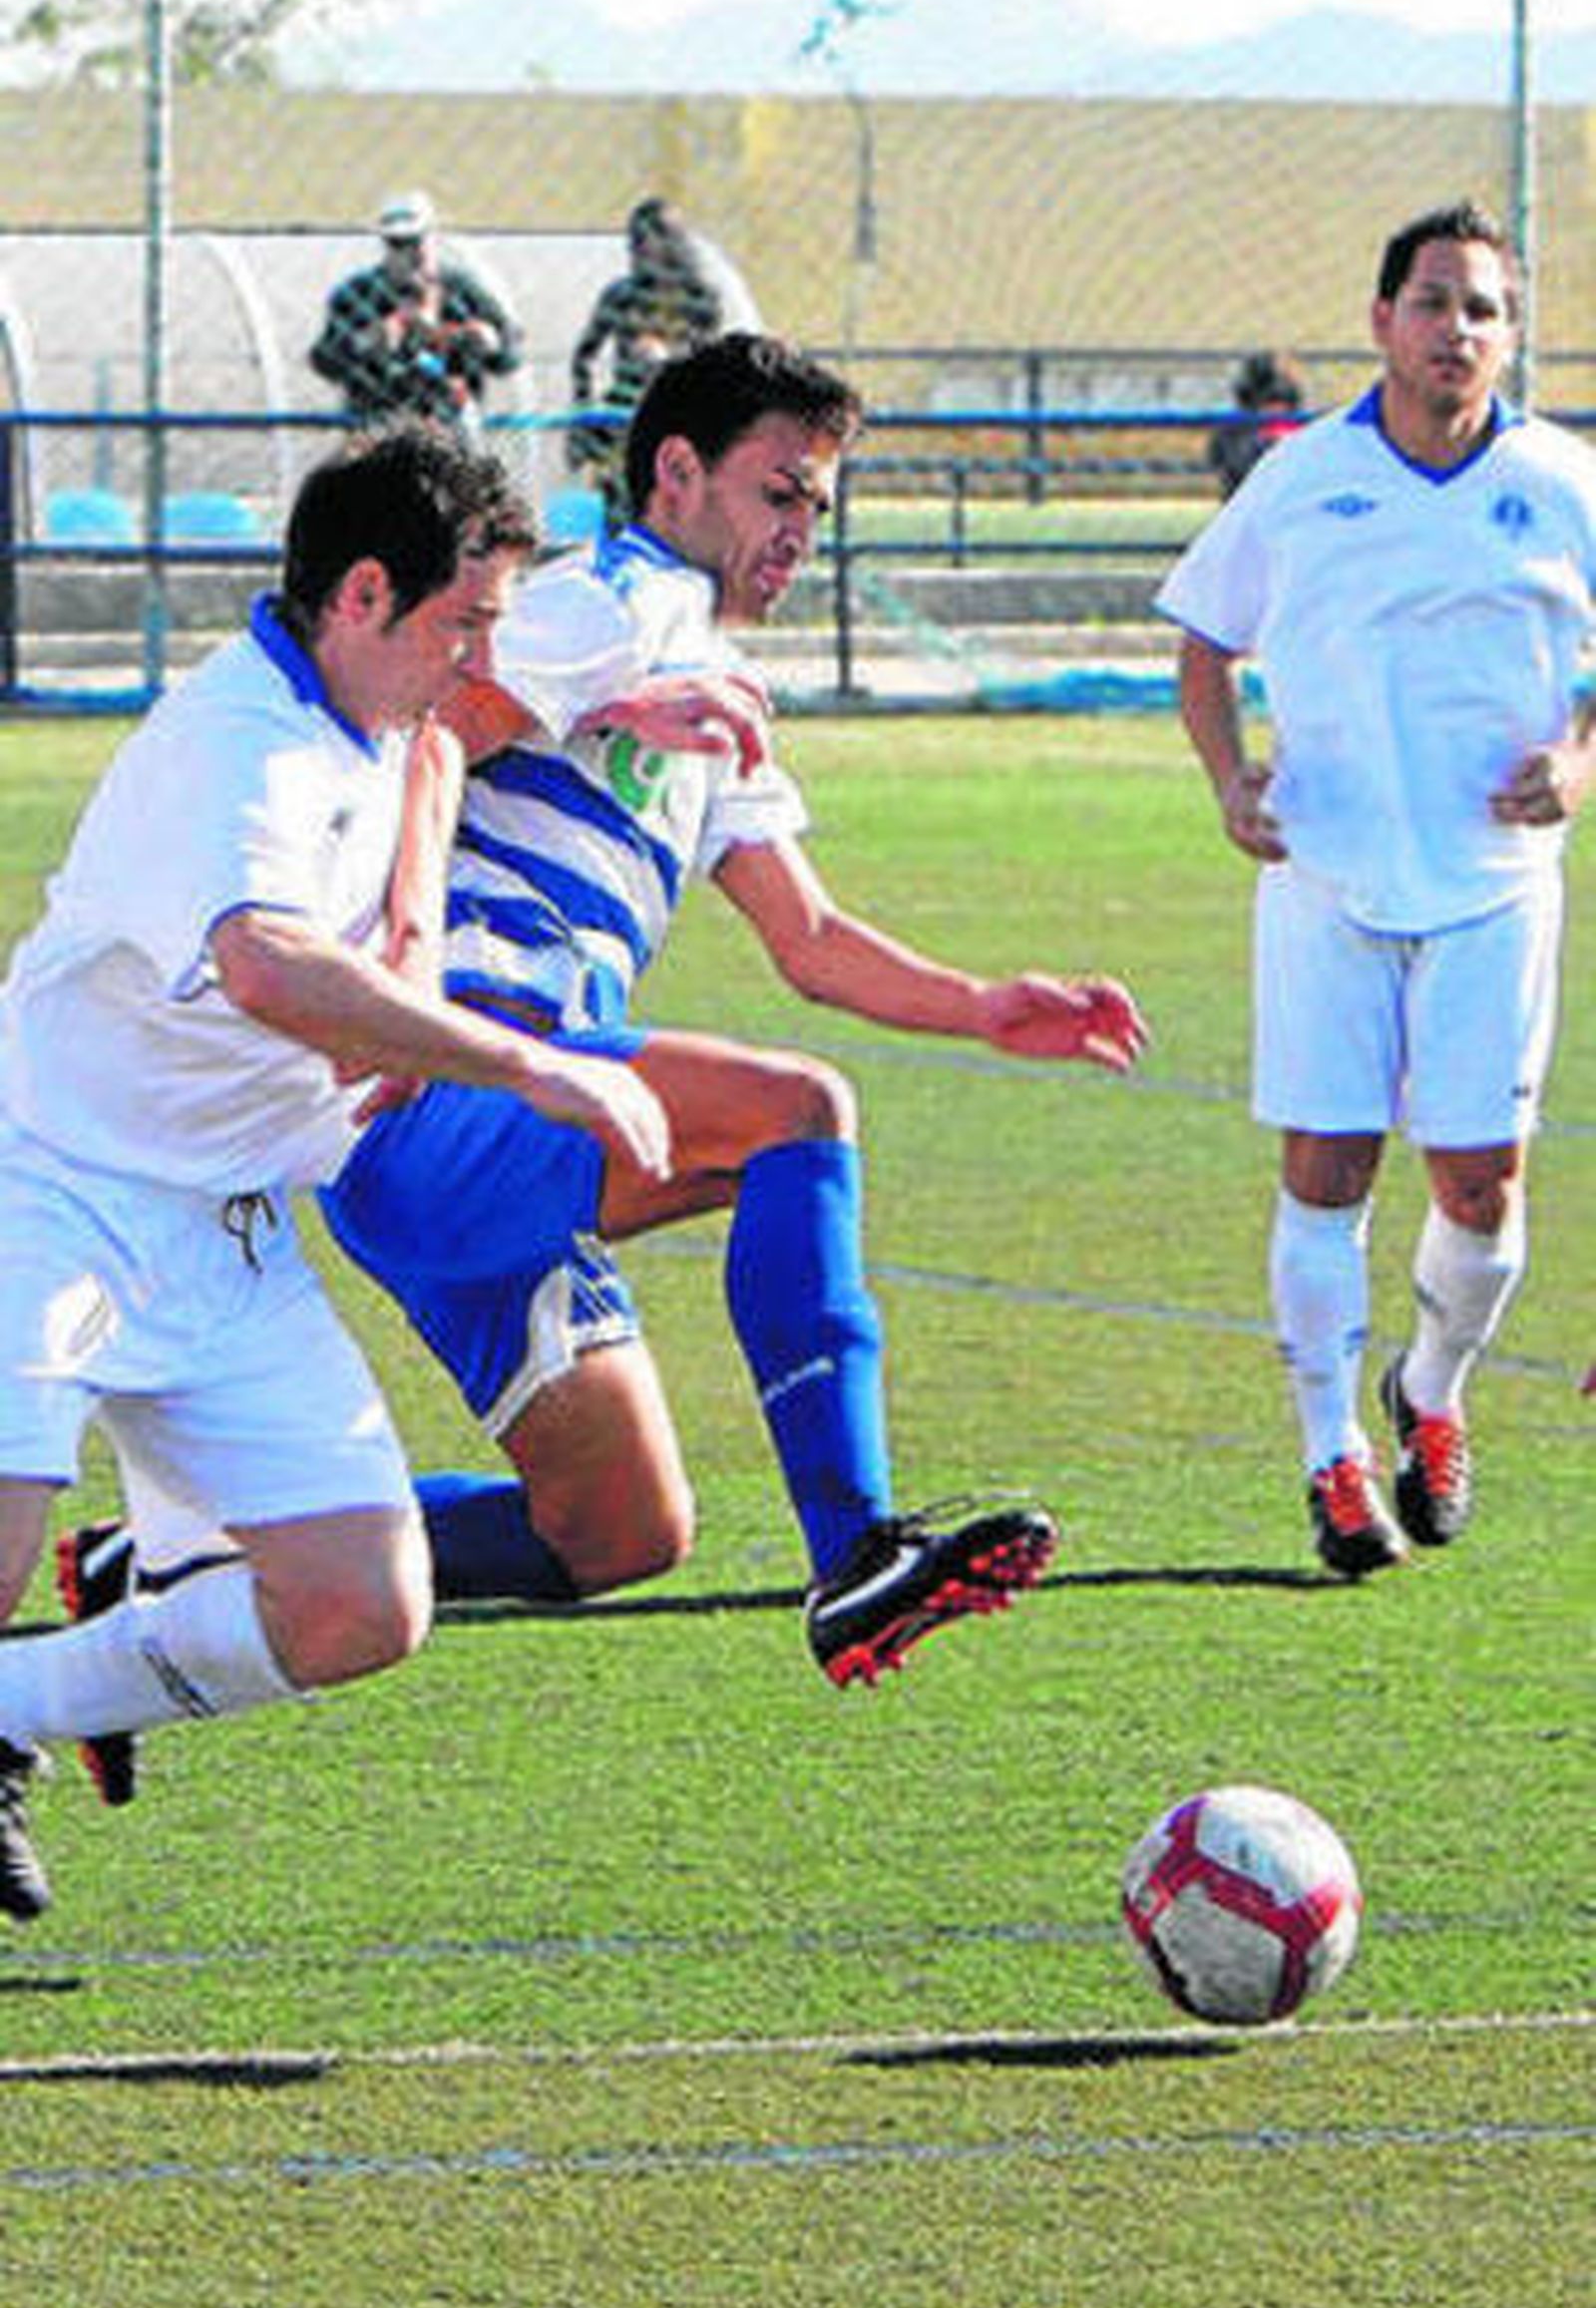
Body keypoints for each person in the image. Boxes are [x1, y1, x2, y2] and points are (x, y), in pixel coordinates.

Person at [59, 332, 1147, 1809]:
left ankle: (166, 1562)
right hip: (465, 1087)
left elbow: (811, 942)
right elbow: (435, 732)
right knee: (796, 1114)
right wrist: (416, 946)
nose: (799, 532)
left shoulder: (707, 672)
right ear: (676, 472)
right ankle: (855, 1550)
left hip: (511, 1130)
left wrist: (986, 1005)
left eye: (819, 506)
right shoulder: (610, 601)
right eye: (777, 492)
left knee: (618, 1533)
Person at [0, 423, 674, 1922]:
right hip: (47, 1197)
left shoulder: (382, 711)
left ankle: (11, 1711)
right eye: (463, 625)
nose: (479, 662)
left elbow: (431, 758)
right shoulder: (235, 742)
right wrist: (524, 1064)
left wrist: (418, 933)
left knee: (363, 1606)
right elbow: (266, 965)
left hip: (227, 1230)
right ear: (363, 593)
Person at [1158, 201, 1594, 1578]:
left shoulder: (1562, 481)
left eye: (1482, 308)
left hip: (1496, 886)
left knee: (1482, 1189)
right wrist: (1230, 781)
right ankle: (1331, 1456)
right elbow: (1203, 643)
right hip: (1327, 878)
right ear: (1381, 322)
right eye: (1432, 302)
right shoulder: (1301, 479)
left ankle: (1432, 1391)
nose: (1456, 329)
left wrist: (1579, 760)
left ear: (1509, 335)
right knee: (1327, 1167)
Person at [309, 190, 523, 436]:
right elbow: (323, 360)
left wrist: (490, 342)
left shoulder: (464, 291)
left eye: (416, 241)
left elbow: (509, 356)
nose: (409, 253)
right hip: (377, 421)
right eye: (397, 244)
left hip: (451, 423)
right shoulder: (355, 295)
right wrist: (364, 341)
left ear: (433, 237)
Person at [568, 197, 724, 524]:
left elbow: (710, 363)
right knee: (622, 500)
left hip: (680, 412)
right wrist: (584, 411)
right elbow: (584, 357)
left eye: (648, 240)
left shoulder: (699, 298)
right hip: (627, 411)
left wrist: (670, 356)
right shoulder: (622, 296)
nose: (640, 250)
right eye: (636, 241)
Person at [1205, 350, 1307, 501]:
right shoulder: (1234, 428)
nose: (1276, 409)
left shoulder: (1297, 426)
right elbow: (1229, 467)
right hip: (1248, 495)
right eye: (1271, 404)